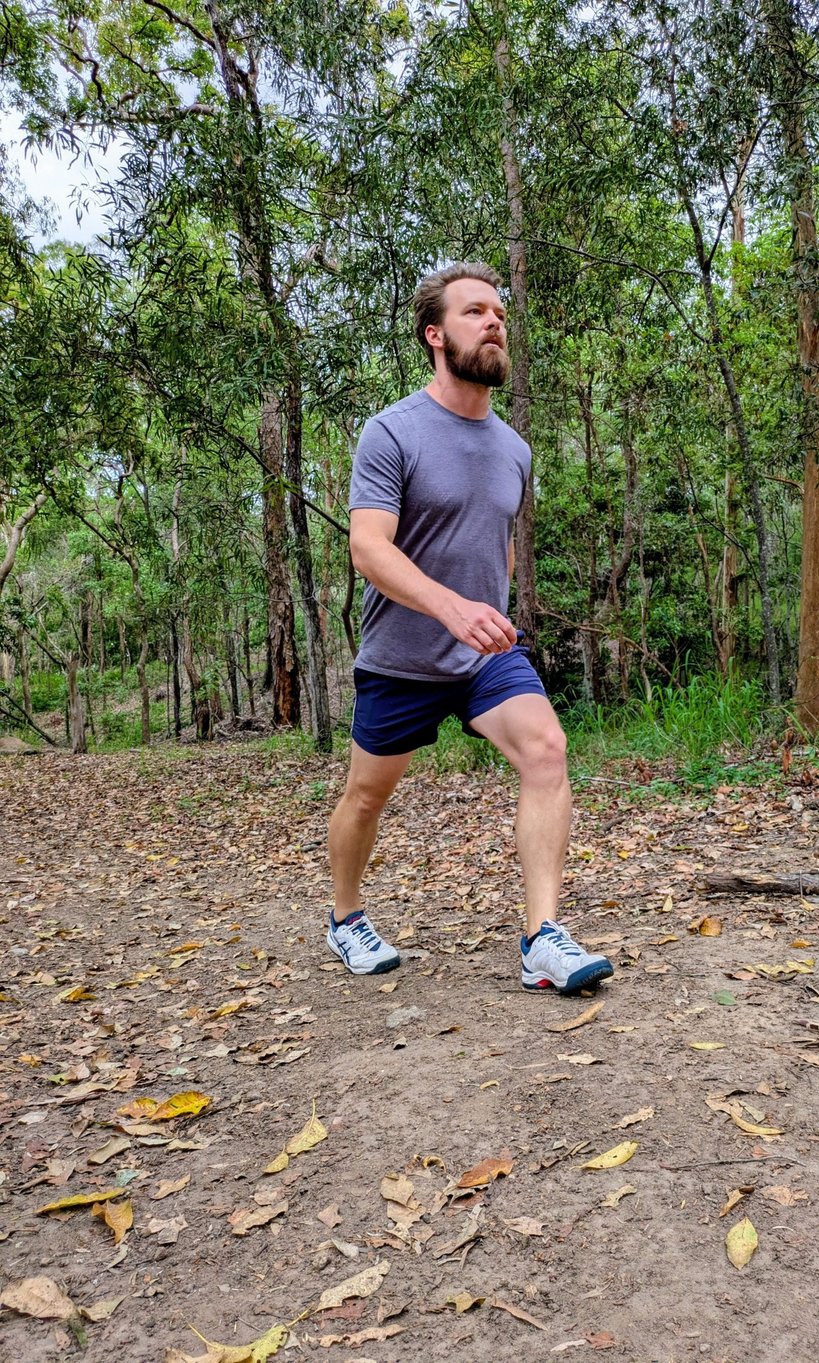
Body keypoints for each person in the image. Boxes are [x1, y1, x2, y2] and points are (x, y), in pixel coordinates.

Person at [324, 261, 613, 996]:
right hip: (403, 655)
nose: (494, 321)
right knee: (366, 795)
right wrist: (451, 607)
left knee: (548, 749)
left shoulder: (515, 448)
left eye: (499, 313)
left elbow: (501, 539)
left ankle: (541, 937)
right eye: (474, 311)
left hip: (485, 656)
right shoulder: (391, 432)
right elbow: (368, 547)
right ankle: (345, 916)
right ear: (434, 334)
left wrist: (490, 608)